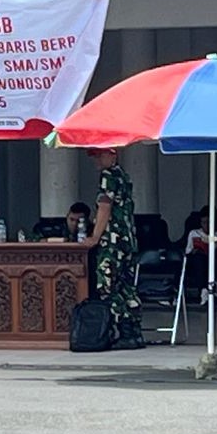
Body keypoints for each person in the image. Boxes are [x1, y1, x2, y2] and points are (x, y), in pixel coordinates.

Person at [85, 146, 144, 350]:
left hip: (112, 241)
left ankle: (121, 328)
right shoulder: (123, 176)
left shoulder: (108, 176)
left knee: (107, 286)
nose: (97, 160)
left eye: (100, 155)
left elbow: (104, 208)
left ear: (113, 154)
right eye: (95, 156)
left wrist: (94, 237)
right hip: (127, 240)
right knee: (126, 286)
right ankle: (134, 331)